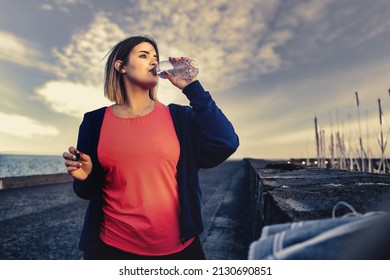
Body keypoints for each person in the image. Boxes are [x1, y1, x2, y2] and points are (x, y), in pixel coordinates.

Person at [62, 35, 239, 260]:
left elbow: (226, 142)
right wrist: (84, 177)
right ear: (121, 66)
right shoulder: (94, 122)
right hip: (111, 250)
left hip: (179, 251)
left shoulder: (179, 118)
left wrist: (192, 88)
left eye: (155, 57)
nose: (154, 62)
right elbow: (86, 192)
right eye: (144, 55)